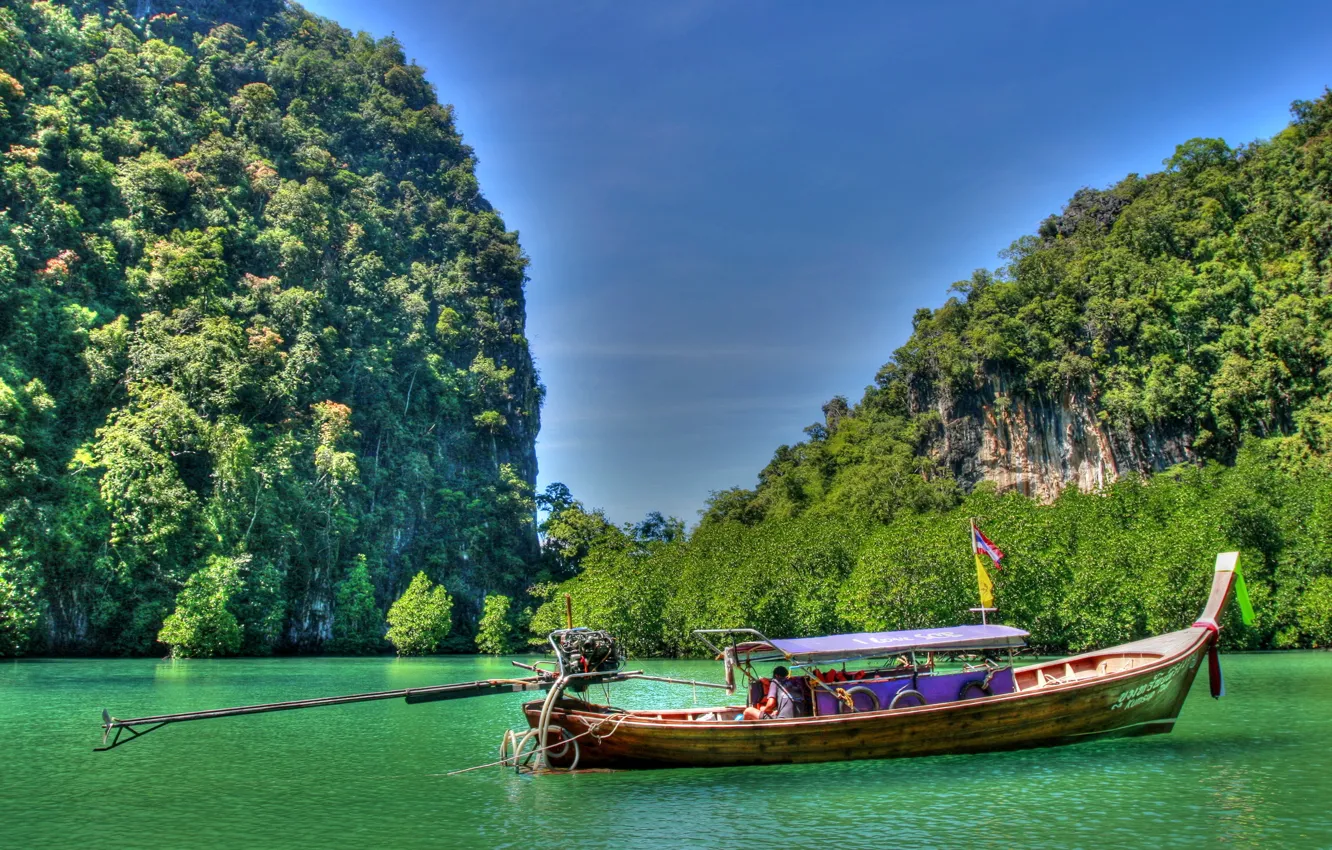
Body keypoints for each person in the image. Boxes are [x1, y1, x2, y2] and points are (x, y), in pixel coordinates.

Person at [743, 666, 809, 720]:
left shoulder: (775, 681)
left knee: (748, 711)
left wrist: (764, 710)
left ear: (776, 675)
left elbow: (771, 704)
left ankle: (750, 731)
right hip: (801, 717)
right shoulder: (798, 681)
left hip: (783, 719)